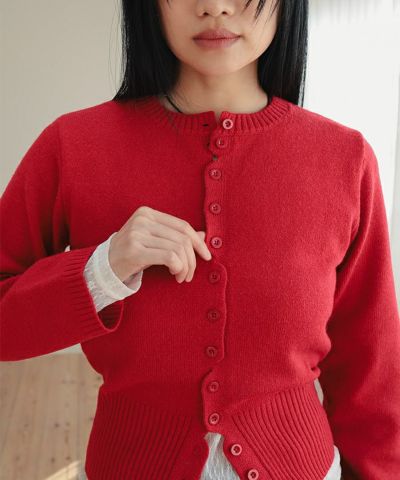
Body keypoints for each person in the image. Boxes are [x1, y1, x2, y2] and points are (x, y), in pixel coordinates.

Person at [1, 1, 399, 479]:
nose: (214, 6)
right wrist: (102, 270)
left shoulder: (344, 159)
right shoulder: (74, 146)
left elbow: (372, 369)